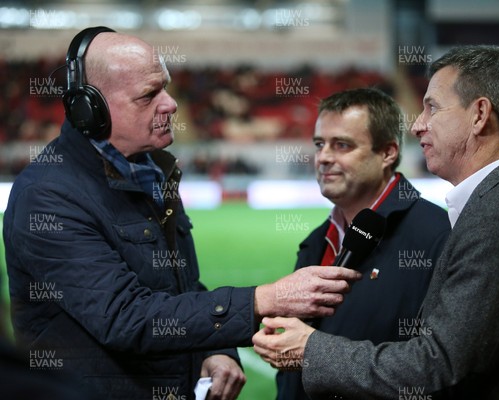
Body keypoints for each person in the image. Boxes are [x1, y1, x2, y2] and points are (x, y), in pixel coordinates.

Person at [2, 27, 360, 400]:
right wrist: (264, 299)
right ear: (90, 109)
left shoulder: (151, 170)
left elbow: (180, 290)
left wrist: (215, 352)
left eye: (166, 87)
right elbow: (127, 317)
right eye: (148, 95)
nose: (171, 103)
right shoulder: (47, 197)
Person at [253, 45, 499, 399]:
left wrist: (311, 351)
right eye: (319, 144)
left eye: (432, 107)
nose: (416, 125)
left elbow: (438, 366)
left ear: (479, 115)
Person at [275, 88, 450, 399]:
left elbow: (439, 368)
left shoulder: (437, 234)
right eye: (320, 144)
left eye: (342, 145)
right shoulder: (316, 242)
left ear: (388, 153)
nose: (324, 157)